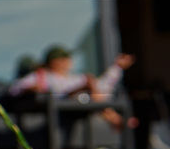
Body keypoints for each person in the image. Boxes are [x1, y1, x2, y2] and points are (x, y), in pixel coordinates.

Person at [7, 45, 137, 131]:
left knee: (90, 91)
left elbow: (102, 87)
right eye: (65, 59)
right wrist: (32, 88)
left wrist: (117, 68)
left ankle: (115, 119)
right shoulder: (41, 76)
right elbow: (16, 89)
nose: (69, 62)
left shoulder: (73, 78)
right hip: (58, 111)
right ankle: (116, 120)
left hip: (79, 108)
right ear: (55, 61)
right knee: (89, 92)